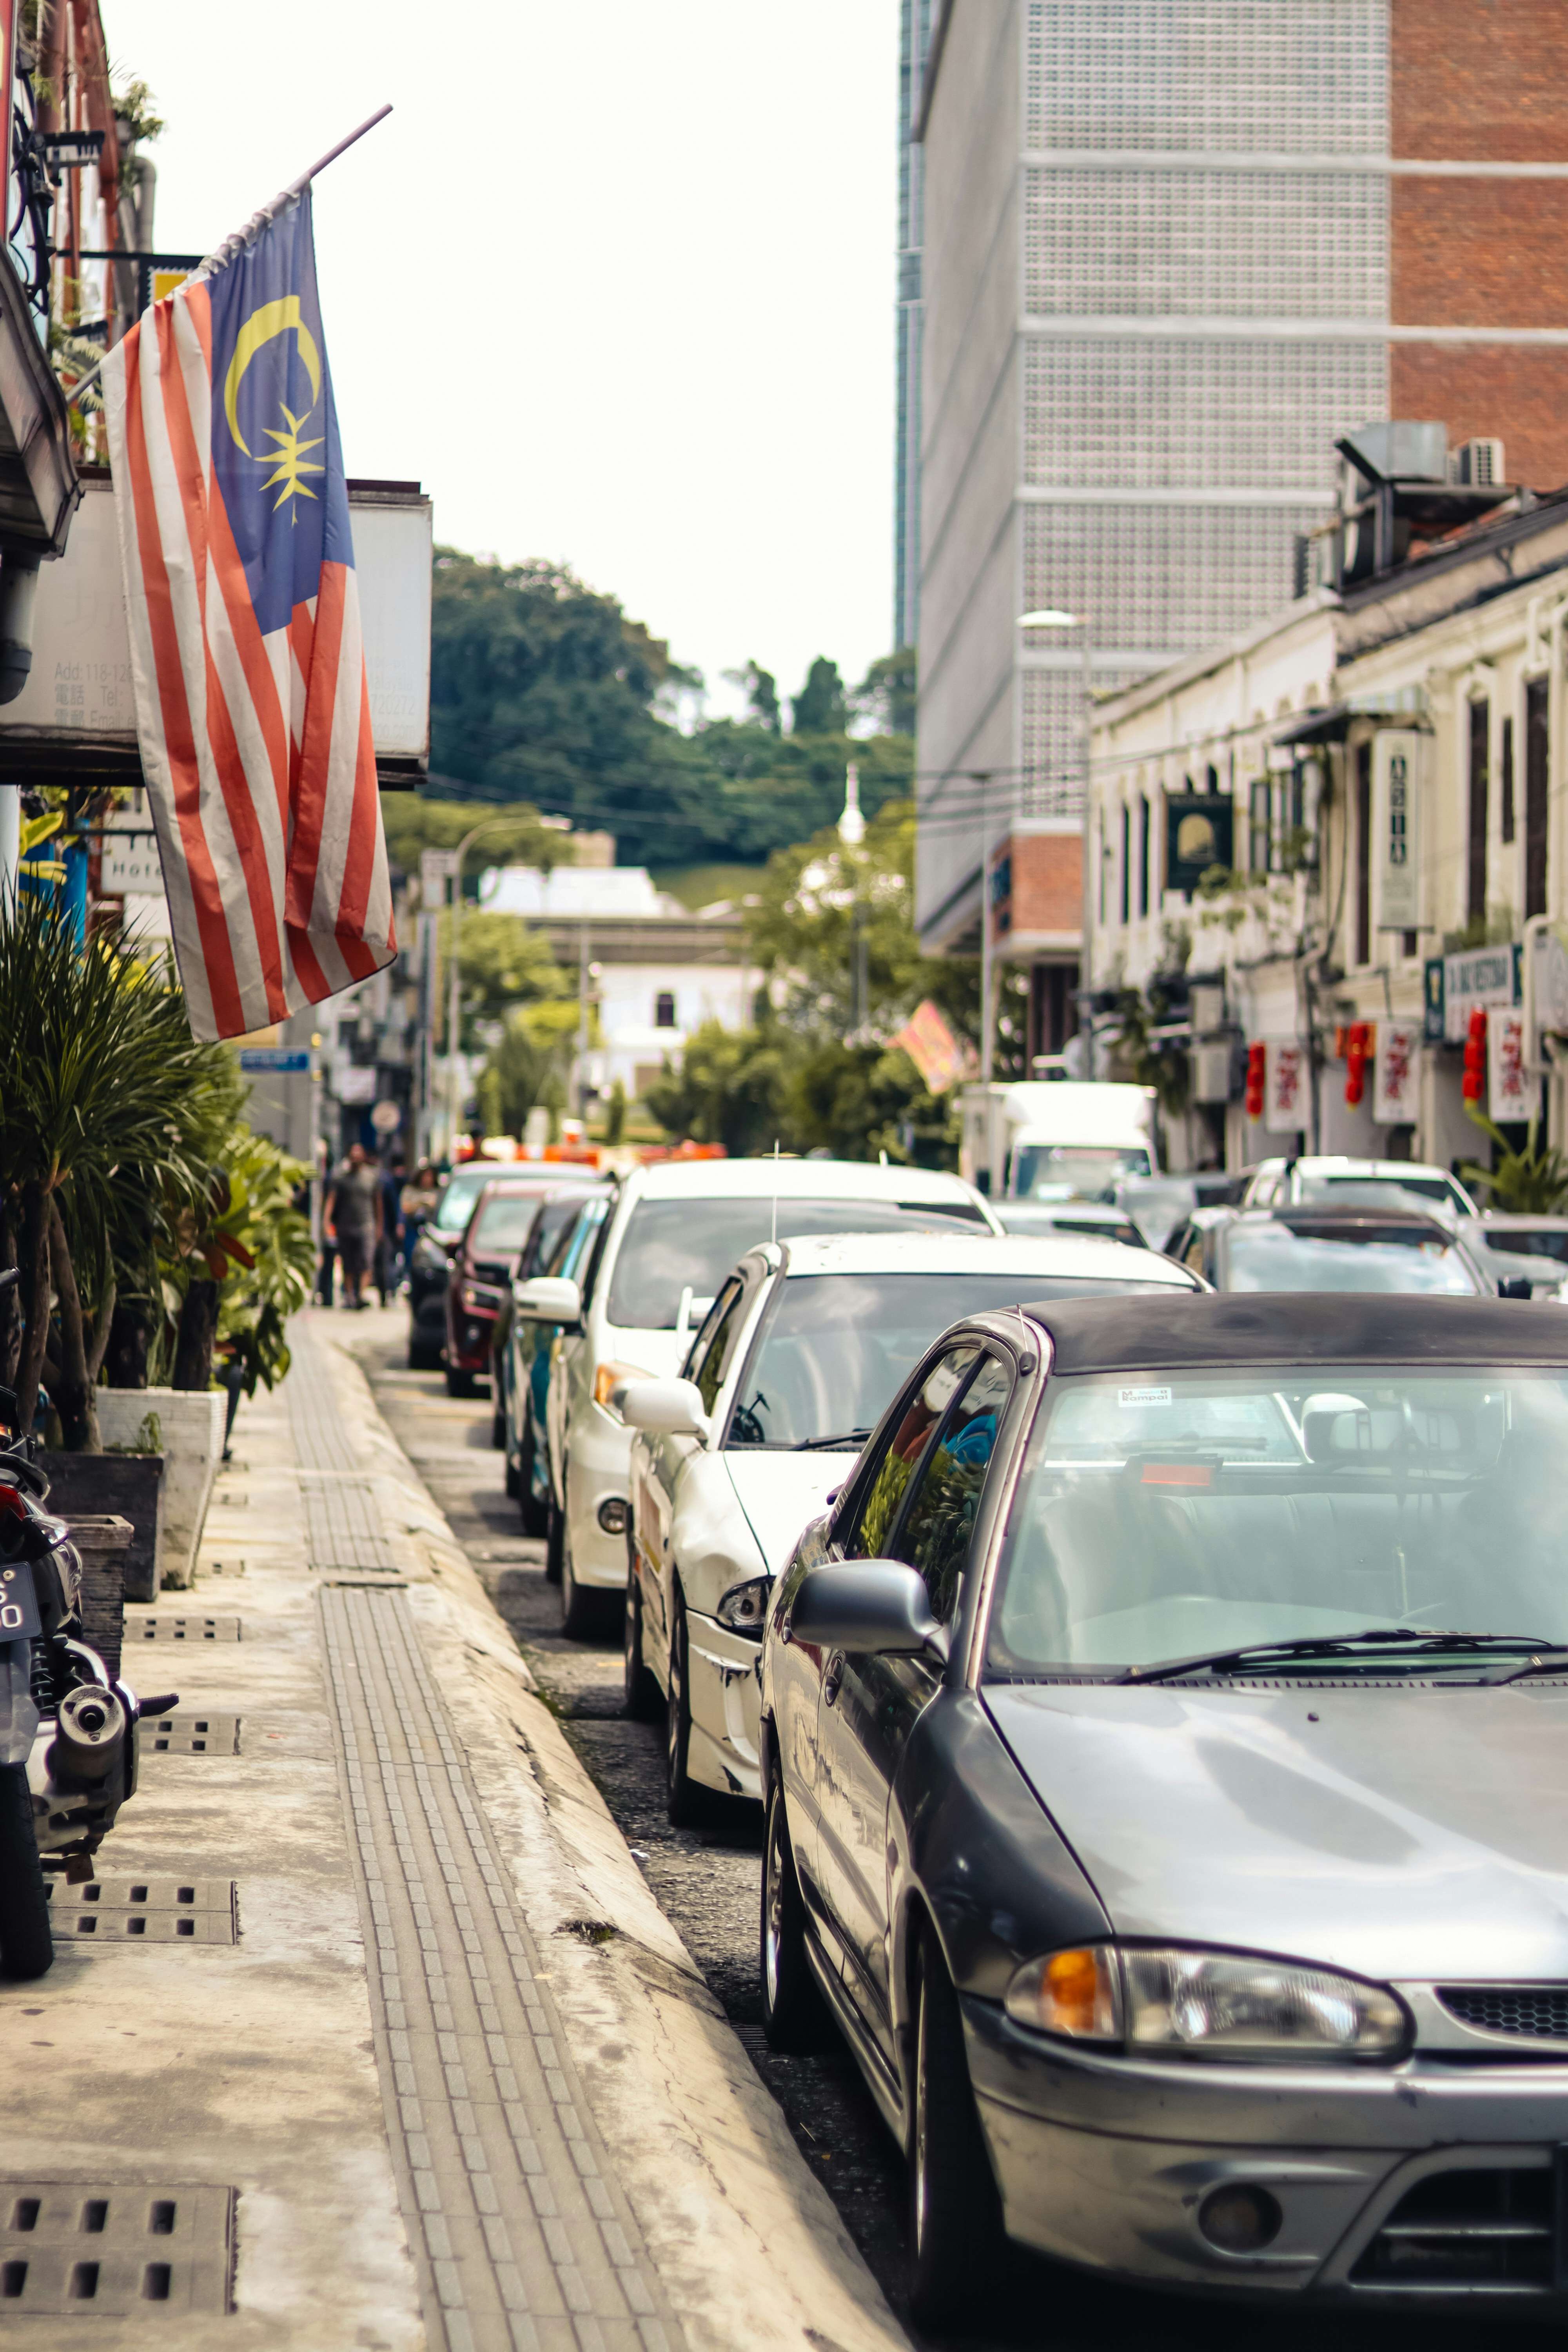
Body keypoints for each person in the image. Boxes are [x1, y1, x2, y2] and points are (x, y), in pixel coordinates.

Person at [324, 1142, 383, 1310]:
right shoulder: (341, 1178)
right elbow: (332, 1200)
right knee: (348, 1264)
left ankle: (361, 1295)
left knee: (366, 1261)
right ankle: (350, 1296)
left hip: (367, 1225)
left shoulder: (372, 1177)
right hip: (346, 1226)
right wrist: (327, 1222)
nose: (356, 1157)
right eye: (353, 1154)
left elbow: (378, 1204)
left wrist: (379, 1227)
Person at [377, 1154, 407, 1304]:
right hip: (377, 1227)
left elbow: (394, 1206)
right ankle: (386, 1292)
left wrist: (398, 1224)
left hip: (386, 1229)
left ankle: (389, 1292)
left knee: (387, 1262)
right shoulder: (383, 1180)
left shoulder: (386, 1181)